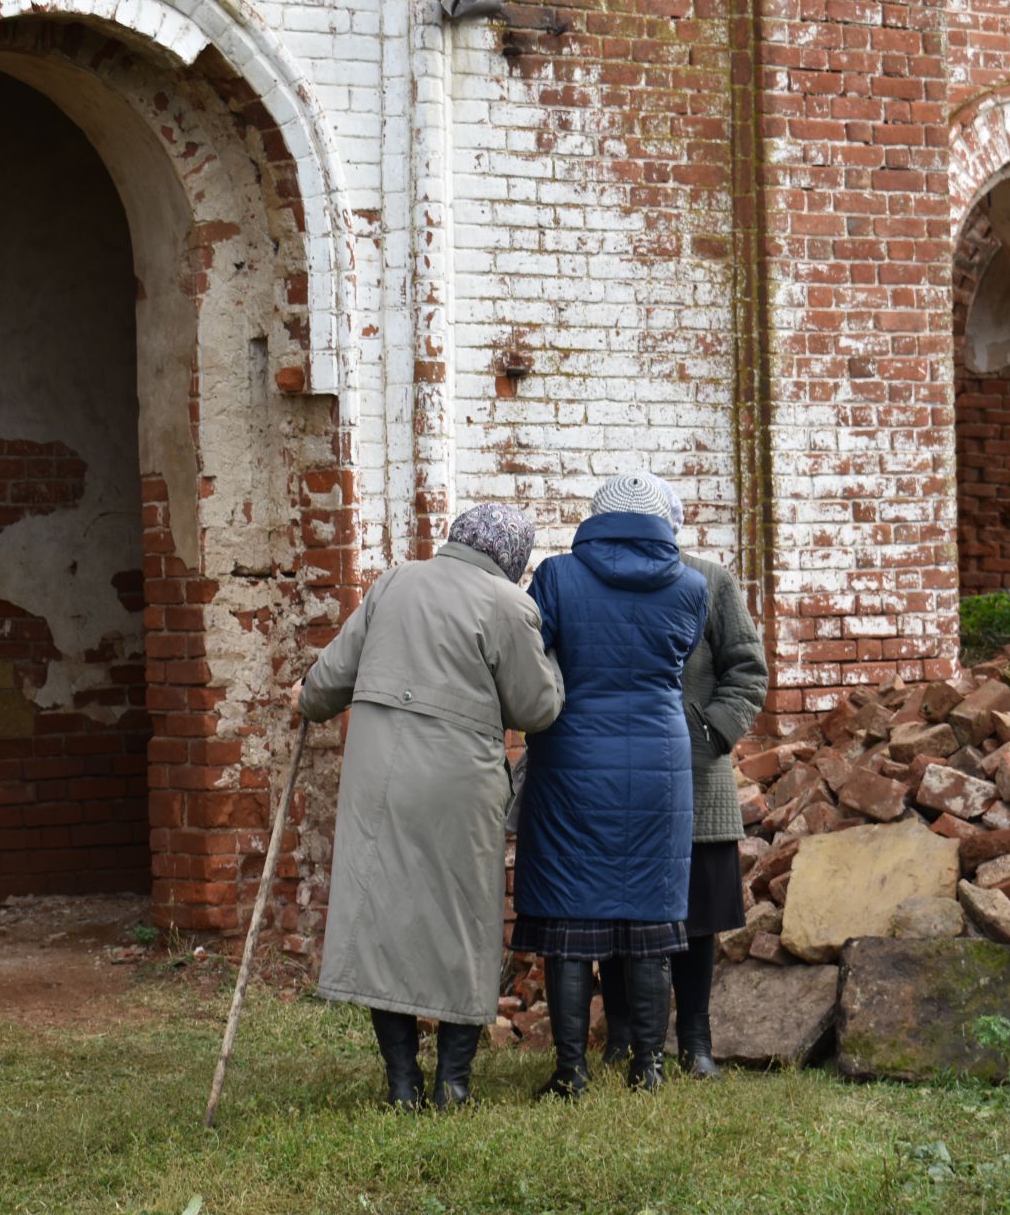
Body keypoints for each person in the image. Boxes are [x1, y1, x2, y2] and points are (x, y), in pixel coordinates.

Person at [298, 504, 565, 1110]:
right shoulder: (507, 603)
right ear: (512, 559)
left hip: (379, 781)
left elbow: (327, 682)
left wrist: (306, 698)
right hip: (458, 788)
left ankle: (400, 1084)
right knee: (463, 923)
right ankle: (453, 1082)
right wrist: (552, 661)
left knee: (383, 918)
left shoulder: (394, 581)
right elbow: (537, 709)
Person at [511, 475, 708, 1094]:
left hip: (572, 758)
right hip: (658, 763)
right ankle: (647, 1068)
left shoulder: (557, 578)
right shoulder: (693, 586)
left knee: (567, 913)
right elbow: (681, 653)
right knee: (650, 909)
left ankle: (571, 1073)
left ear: (596, 517)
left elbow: (533, 656)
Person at [597, 475, 769, 1077]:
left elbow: (747, 669)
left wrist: (710, 731)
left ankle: (696, 1042)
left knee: (697, 919)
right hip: (617, 779)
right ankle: (620, 1037)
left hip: (697, 779)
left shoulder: (710, 580)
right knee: (614, 914)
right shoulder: (594, 577)